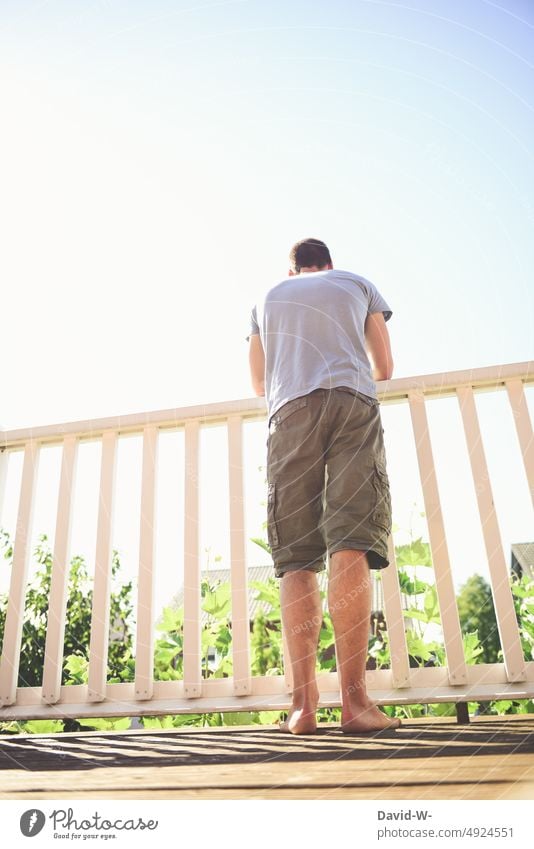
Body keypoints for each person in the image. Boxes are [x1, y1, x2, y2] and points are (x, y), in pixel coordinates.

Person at [246, 237, 401, 735]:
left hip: (289, 412)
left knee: (297, 556)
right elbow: (384, 368)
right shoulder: (356, 283)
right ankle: (355, 703)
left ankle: (303, 707)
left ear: (291, 271)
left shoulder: (266, 298)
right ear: (328, 265)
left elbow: (258, 384)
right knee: (350, 539)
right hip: (352, 402)